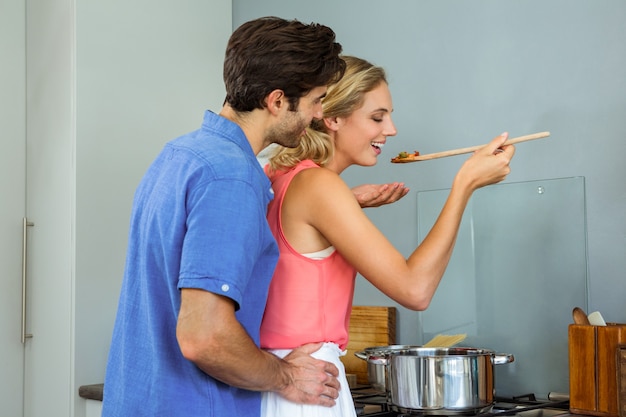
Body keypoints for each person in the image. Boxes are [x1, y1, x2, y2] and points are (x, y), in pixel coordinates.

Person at [102, 17, 347, 417]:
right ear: (277, 101)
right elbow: (205, 337)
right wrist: (285, 376)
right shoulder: (232, 178)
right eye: (316, 100)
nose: (319, 115)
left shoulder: (179, 156)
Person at [259, 56, 516, 417]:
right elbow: (415, 289)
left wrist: (346, 204)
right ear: (332, 118)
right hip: (309, 385)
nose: (391, 129)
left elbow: (294, 242)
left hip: (276, 381)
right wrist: (464, 185)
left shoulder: (279, 174)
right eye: (377, 117)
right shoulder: (320, 186)